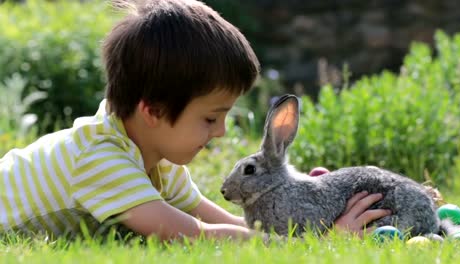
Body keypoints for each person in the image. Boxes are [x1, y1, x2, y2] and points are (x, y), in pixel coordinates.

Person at [0, 0, 390, 242]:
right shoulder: (100, 159)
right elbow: (192, 235)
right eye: (210, 118)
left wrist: (313, 220)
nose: (220, 132)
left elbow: (235, 227)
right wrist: (310, 248)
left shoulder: (157, 162)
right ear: (152, 110)